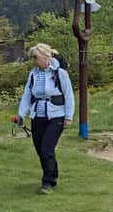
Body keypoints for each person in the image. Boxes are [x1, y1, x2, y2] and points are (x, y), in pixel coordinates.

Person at [16, 43, 75, 194]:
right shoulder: (33, 74)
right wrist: (21, 114)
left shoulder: (60, 73)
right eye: (33, 58)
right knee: (40, 149)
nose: (34, 61)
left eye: (36, 57)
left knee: (47, 149)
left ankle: (47, 182)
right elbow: (27, 95)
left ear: (46, 56)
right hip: (38, 116)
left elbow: (68, 95)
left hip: (57, 115)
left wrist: (69, 116)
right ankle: (53, 176)